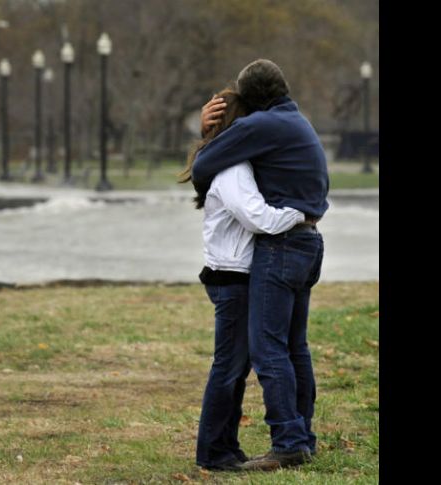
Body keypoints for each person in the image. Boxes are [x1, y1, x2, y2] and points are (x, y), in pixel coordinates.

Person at [192, 59, 328, 470]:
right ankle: (297, 436)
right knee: (290, 349)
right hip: (302, 243)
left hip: (282, 246)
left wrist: (293, 213)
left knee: (269, 351)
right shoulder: (296, 122)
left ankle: (288, 442)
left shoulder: (258, 129)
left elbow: (202, 166)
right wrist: (305, 213)